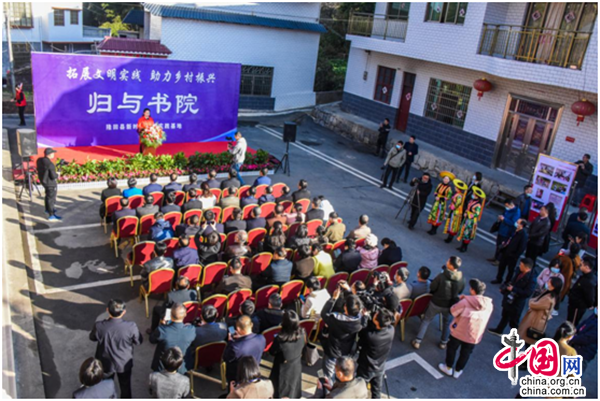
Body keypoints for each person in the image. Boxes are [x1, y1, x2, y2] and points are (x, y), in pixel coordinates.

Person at [438, 279, 493, 379]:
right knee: (466, 352)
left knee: (452, 348)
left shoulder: (465, 302)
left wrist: (461, 300)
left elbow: (453, 311)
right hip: (475, 334)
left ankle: (449, 367)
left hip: (459, 331)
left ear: (473, 290)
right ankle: (458, 370)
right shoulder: (489, 305)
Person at [89, 299, 143, 398]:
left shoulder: (99, 326)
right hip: (124, 363)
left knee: (105, 387)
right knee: (125, 386)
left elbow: (92, 337)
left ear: (107, 310)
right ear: (124, 312)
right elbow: (139, 341)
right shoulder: (131, 327)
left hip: (105, 363)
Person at [412, 256, 465, 350]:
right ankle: (443, 342)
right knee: (447, 322)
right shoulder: (461, 279)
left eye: (448, 261)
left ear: (451, 265)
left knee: (426, 320)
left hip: (436, 303)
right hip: (450, 305)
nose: (446, 261)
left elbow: (432, 287)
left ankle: (418, 341)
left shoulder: (441, 276)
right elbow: (460, 291)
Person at [320, 291, 365, 383]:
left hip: (333, 352)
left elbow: (324, 313)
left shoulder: (335, 320)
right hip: (347, 352)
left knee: (328, 378)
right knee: (342, 378)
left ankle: (329, 395)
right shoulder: (359, 323)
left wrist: (333, 299)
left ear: (345, 308)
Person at [488, 258, 536, 336]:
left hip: (517, 302)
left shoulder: (531, 279)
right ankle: (499, 330)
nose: (520, 266)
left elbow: (527, 293)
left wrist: (514, 289)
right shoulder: (519, 272)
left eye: (521, 265)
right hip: (510, 298)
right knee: (505, 314)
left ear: (526, 267)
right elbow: (513, 281)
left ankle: (513, 340)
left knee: (514, 322)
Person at [357, 308, 394, 399]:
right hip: (380, 367)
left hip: (366, 368)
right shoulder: (391, 330)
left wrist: (364, 317)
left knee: (359, 389)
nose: (375, 314)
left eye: (376, 315)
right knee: (376, 392)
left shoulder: (371, 336)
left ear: (377, 322)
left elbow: (361, 332)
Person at [150, 304, 196, 374]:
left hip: (162, 366)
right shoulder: (191, 330)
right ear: (185, 314)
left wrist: (162, 325)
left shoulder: (162, 330)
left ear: (170, 316)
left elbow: (152, 340)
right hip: (182, 366)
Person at [269, 310, 305, 398]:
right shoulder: (302, 333)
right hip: (295, 367)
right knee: (292, 391)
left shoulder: (280, 339)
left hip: (282, 370)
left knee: (280, 393)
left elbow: (272, 351)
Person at [518, 277, 562, 346]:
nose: (547, 283)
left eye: (549, 282)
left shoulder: (548, 298)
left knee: (529, 340)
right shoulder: (548, 294)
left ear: (553, 286)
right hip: (535, 319)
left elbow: (534, 304)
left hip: (535, 322)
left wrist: (531, 301)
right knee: (528, 341)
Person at [223, 315, 266, 384]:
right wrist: (241, 338)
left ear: (238, 329)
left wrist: (230, 342)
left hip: (238, 377)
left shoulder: (235, 347)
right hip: (254, 371)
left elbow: (226, 357)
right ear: (251, 325)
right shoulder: (262, 338)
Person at [492, 219, 528, 284]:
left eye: (518, 222)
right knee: (501, 266)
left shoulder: (523, 235)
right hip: (506, 252)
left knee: (510, 269)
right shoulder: (515, 231)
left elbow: (522, 248)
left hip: (512, 255)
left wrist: (515, 255)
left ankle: (507, 282)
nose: (516, 223)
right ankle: (498, 278)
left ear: (521, 225)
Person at [488, 199, 520, 264]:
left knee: (502, 246)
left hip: (507, 232)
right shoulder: (507, 210)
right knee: (498, 244)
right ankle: (495, 257)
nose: (506, 207)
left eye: (507, 206)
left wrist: (504, 219)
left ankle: (498, 260)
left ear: (511, 205)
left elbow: (513, 223)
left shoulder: (516, 212)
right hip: (501, 229)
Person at [567, 256, 596, 326]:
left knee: (571, 324)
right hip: (574, 304)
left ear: (587, 267)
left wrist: (590, 305)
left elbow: (589, 297)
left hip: (577, 307)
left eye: (582, 264)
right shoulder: (587, 277)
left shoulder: (588, 281)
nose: (580, 264)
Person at [569, 309, 598, 374]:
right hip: (578, 348)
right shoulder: (594, 316)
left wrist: (573, 338)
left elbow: (587, 338)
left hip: (584, 352)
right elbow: (582, 325)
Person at [36, 148, 61, 221]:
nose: (54, 154)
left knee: (47, 196)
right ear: (49, 155)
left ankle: (47, 210)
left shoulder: (40, 160)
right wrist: (58, 174)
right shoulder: (50, 164)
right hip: (50, 184)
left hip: (44, 182)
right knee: (51, 199)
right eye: (53, 153)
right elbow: (53, 176)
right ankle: (51, 214)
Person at [456, 189, 483, 253]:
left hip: (471, 221)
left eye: (474, 194)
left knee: (467, 233)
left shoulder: (478, 205)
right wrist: (465, 212)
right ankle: (462, 246)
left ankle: (465, 247)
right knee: (464, 231)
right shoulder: (471, 201)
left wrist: (468, 214)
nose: (472, 195)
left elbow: (476, 214)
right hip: (467, 218)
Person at [443, 179, 466, 243]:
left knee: (453, 224)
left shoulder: (459, 195)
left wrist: (453, 206)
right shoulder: (459, 194)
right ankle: (449, 237)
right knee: (451, 223)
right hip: (455, 211)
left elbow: (458, 203)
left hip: (456, 212)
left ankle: (450, 238)